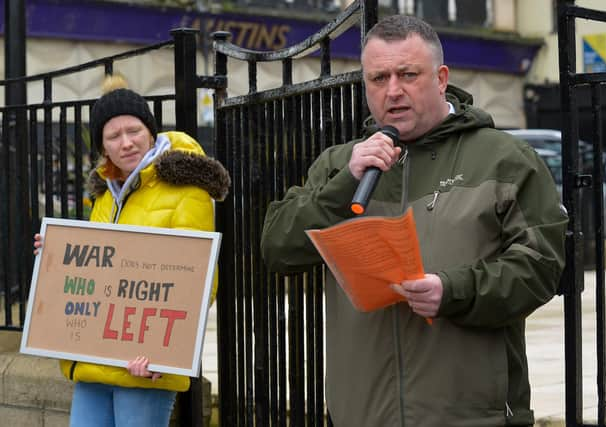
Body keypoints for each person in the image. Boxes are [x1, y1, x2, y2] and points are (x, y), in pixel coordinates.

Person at [260, 15, 568, 427]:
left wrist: (454, 290)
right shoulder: (338, 166)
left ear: (441, 78)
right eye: (378, 78)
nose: (393, 91)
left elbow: (542, 266)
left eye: (408, 74)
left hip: (473, 416)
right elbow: (277, 249)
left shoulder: (504, 159)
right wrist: (343, 185)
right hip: (363, 414)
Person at [34, 75, 230, 427]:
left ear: (150, 132)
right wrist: (56, 258)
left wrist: (163, 352)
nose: (126, 143)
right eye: (114, 136)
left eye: (134, 131)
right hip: (93, 359)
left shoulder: (187, 188)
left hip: (143, 365)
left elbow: (200, 279)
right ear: (103, 147)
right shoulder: (105, 194)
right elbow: (93, 273)